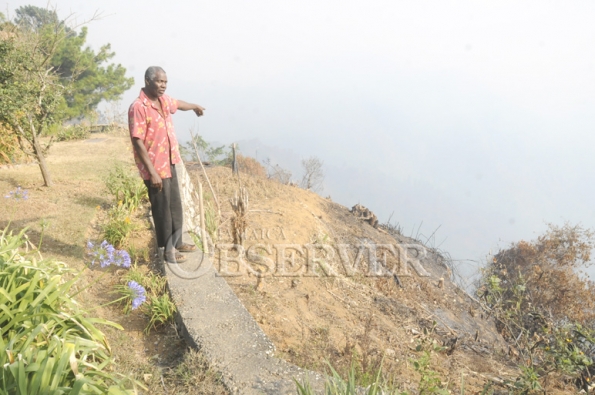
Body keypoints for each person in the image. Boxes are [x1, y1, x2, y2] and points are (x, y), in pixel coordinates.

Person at [128, 66, 205, 263]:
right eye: (159, 81)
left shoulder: (163, 101)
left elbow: (179, 104)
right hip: (154, 167)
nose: (163, 85)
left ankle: (178, 242)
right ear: (147, 81)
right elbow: (137, 141)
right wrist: (152, 172)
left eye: (165, 82)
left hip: (169, 161)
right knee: (162, 209)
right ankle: (168, 251)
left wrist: (195, 106)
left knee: (174, 205)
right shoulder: (139, 107)